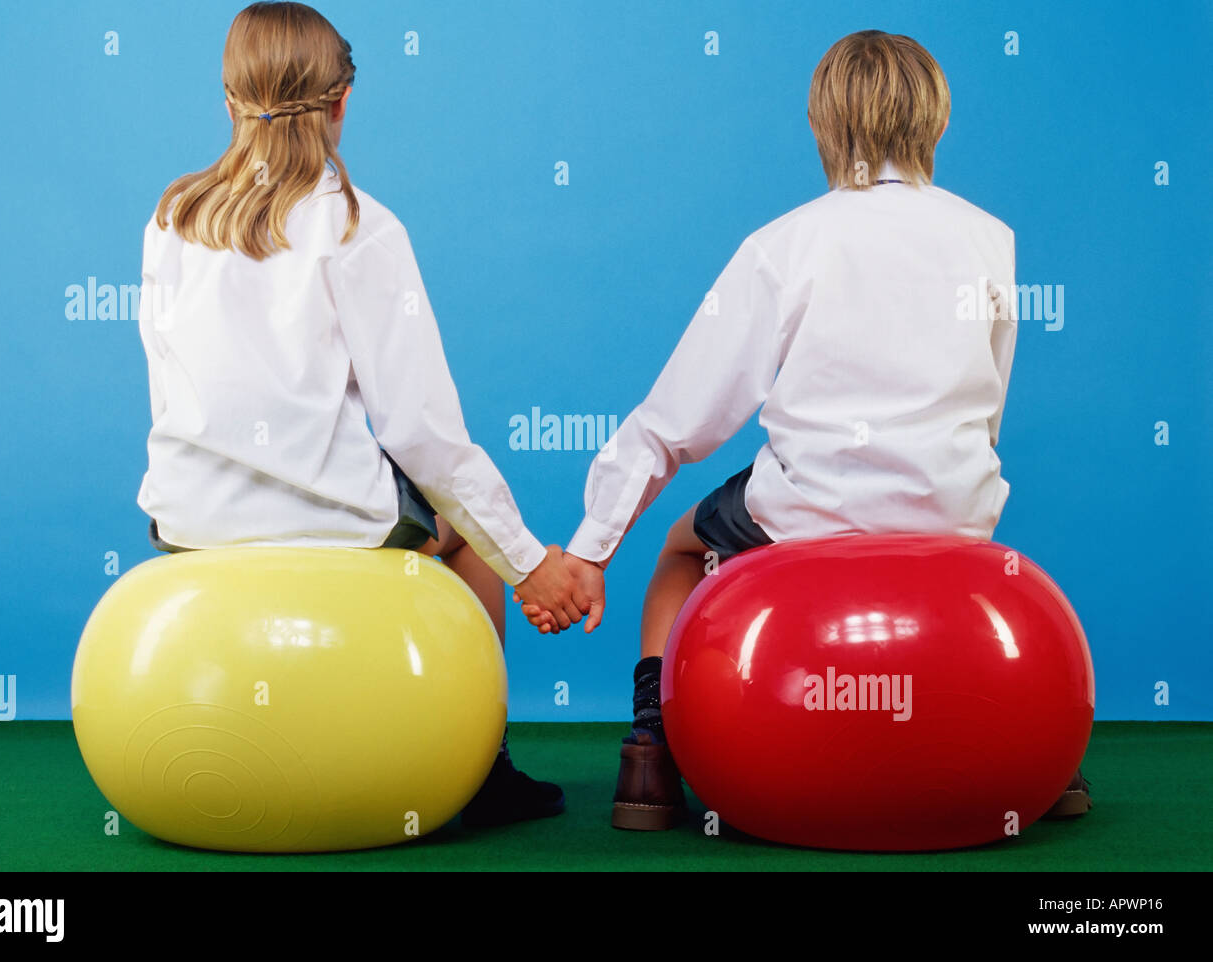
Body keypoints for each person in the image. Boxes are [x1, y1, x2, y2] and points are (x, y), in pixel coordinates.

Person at [523, 29, 1091, 829]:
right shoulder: (991, 238)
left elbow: (678, 419)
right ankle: (1039, 753)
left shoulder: (786, 243)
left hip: (804, 515)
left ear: (824, 126)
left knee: (682, 549)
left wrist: (590, 547)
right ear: (936, 122)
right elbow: (988, 403)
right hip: (954, 511)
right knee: (975, 542)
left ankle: (648, 754)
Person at [136, 1, 587, 828]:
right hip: (334, 520)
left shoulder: (171, 221)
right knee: (464, 534)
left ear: (229, 102)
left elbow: (172, 393)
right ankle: (485, 769)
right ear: (344, 102)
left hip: (188, 522)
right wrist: (530, 564)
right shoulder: (361, 228)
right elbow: (423, 436)